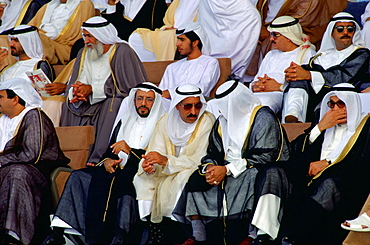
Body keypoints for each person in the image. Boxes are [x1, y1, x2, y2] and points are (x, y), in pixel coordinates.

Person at [43, 82, 165, 245]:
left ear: (155, 102)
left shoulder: (162, 124)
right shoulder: (125, 120)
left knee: (125, 182)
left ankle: (119, 235)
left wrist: (131, 151)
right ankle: (58, 231)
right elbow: (111, 150)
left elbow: (160, 156)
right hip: (116, 168)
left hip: (142, 171)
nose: (143, 103)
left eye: (149, 100)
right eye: (140, 98)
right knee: (78, 177)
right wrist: (106, 161)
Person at [173, 81, 290, 244]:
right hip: (227, 168)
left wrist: (227, 169)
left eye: (223, 105)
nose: (220, 110)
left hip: (254, 168)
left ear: (236, 103)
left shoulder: (262, 116)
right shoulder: (222, 121)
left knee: (254, 176)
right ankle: (198, 235)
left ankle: (252, 235)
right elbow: (213, 152)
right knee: (196, 179)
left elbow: (267, 155)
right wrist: (211, 167)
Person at [279, 83, 370, 244]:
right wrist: (320, 127)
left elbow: (362, 161)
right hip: (312, 182)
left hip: (346, 187)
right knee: (277, 174)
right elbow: (294, 153)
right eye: (331, 104)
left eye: (340, 103)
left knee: (328, 184)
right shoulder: (325, 125)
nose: (334, 108)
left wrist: (329, 163)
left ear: (352, 104)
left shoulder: (365, 127)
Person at [59, 16, 149, 165]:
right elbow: (78, 79)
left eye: (89, 36)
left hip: (110, 99)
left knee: (113, 103)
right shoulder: (85, 52)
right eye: (84, 36)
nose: (85, 40)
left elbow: (128, 86)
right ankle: (68, 158)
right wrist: (78, 92)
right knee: (68, 104)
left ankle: (99, 157)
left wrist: (93, 90)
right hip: (89, 101)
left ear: (102, 36)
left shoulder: (122, 51)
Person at [133, 84, 215, 244]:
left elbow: (201, 158)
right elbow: (155, 150)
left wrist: (168, 161)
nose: (194, 112)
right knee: (142, 179)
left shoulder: (207, 121)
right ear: (177, 105)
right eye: (188, 106)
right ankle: (154, 229)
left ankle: (181, 233)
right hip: (165, 169)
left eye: (197, 105)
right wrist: (150, 166)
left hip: (190, 169)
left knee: (181, 179)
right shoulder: (165, 121)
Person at [0, 78, 69, 245]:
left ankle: (16, 237)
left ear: (15, 99)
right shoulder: (3, 119)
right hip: (10, 169)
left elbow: (32, 154)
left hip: (37, 174)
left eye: (1, 97)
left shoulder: (34, 115)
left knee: (17, 172)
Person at [284, 12, 370, 123]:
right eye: (340, 29)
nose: (345, 32)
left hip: (345, 94)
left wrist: (309, 75)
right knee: (299, 78)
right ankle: (294, 113)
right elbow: (310, 70)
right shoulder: (322, 55)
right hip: (319, 94)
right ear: (331, 33)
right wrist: (294, 73)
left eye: (350, 29)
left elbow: (343, 76)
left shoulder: (361, 53)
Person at [247, 0, 347, 77]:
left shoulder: (307, 54)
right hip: (265, 30)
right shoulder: (270, 56)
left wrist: (270, 32)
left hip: (296, 30)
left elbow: (300, 19)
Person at [250, 16, 316, 117]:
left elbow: (307, 87)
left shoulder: (306, 53)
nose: (271, 39)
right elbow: (256, 79)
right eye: (271, 35)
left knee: (262, 103)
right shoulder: (270, 54)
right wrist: (256, 86)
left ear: (288, 36)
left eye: (275, 35)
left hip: (283, 95)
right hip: (258, 94)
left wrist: (278, 87)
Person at [198, 0, 261, 80]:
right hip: (210, 13)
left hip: (236, 10)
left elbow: (251, 17)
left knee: (252, 20)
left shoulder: (247, 12)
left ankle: (233, 72)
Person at [159, 22, 219, 109]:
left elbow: (202, 88)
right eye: (178, 39)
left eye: (182, 40)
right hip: (171, 108)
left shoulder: (210, 63)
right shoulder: (172, 67)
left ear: (195, 43)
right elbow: (161, 93)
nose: (177, 44)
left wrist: (171, 93)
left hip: (196, 107)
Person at [128, 0, 200, 62]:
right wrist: (167, 28)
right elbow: (168, 20)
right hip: (171, 31)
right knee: (135, 38)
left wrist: (177, 30)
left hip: (186, 33)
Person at [28, 0, 95, 64]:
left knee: (38, 38)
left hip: (64, 48)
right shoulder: (47, 7)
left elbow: (81, 35)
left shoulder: (85, 5)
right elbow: (28, 29)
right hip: (43, 41)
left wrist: (46, 38)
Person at [102, 0, 167, 41]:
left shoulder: (156, 2)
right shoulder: (122, 0)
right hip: (120, 48)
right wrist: (111, 2)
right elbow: (111, 29)